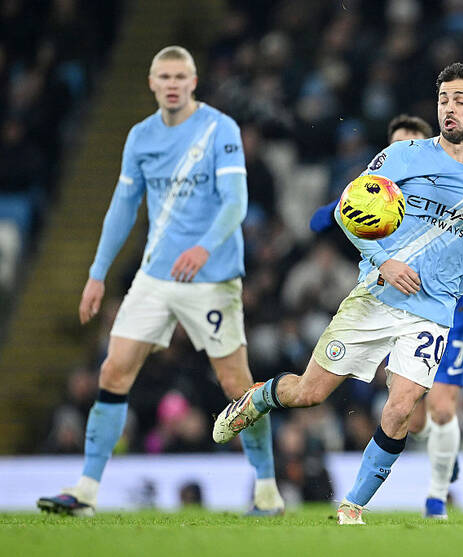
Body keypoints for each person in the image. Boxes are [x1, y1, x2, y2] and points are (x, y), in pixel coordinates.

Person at [213, 62, 463, 525]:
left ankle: (351, 506)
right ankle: (260, 398)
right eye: (444, 100)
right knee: (309, 394)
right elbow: (347, 212)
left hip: (431, 313)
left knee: (402, 410)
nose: (449, 109)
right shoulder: (405, 156)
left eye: (461, 100)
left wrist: (454, 291)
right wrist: (384, 262)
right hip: (376, 297)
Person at [37, 46, 283, 517]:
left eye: (180, 76)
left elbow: (236, 202)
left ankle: (267, 489)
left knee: (238, 385)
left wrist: (203, 248)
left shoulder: (220, 129)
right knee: (112, 372)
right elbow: (122, 208)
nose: (172, 84)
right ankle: (86, 492)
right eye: (163, 76)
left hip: (212, 278)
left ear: (193, 82)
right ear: (152, 84)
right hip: (155, 276)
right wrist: (96, 274)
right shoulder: (141, 137)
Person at [308, 113, 463, 519]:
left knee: (441, 408)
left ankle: (437, 497)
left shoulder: (458, 183)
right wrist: (348, 203)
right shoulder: (385, 189)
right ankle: (442, 453)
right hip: (390, 301)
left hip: (448, 310)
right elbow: (320, 222)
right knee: (413, 419)